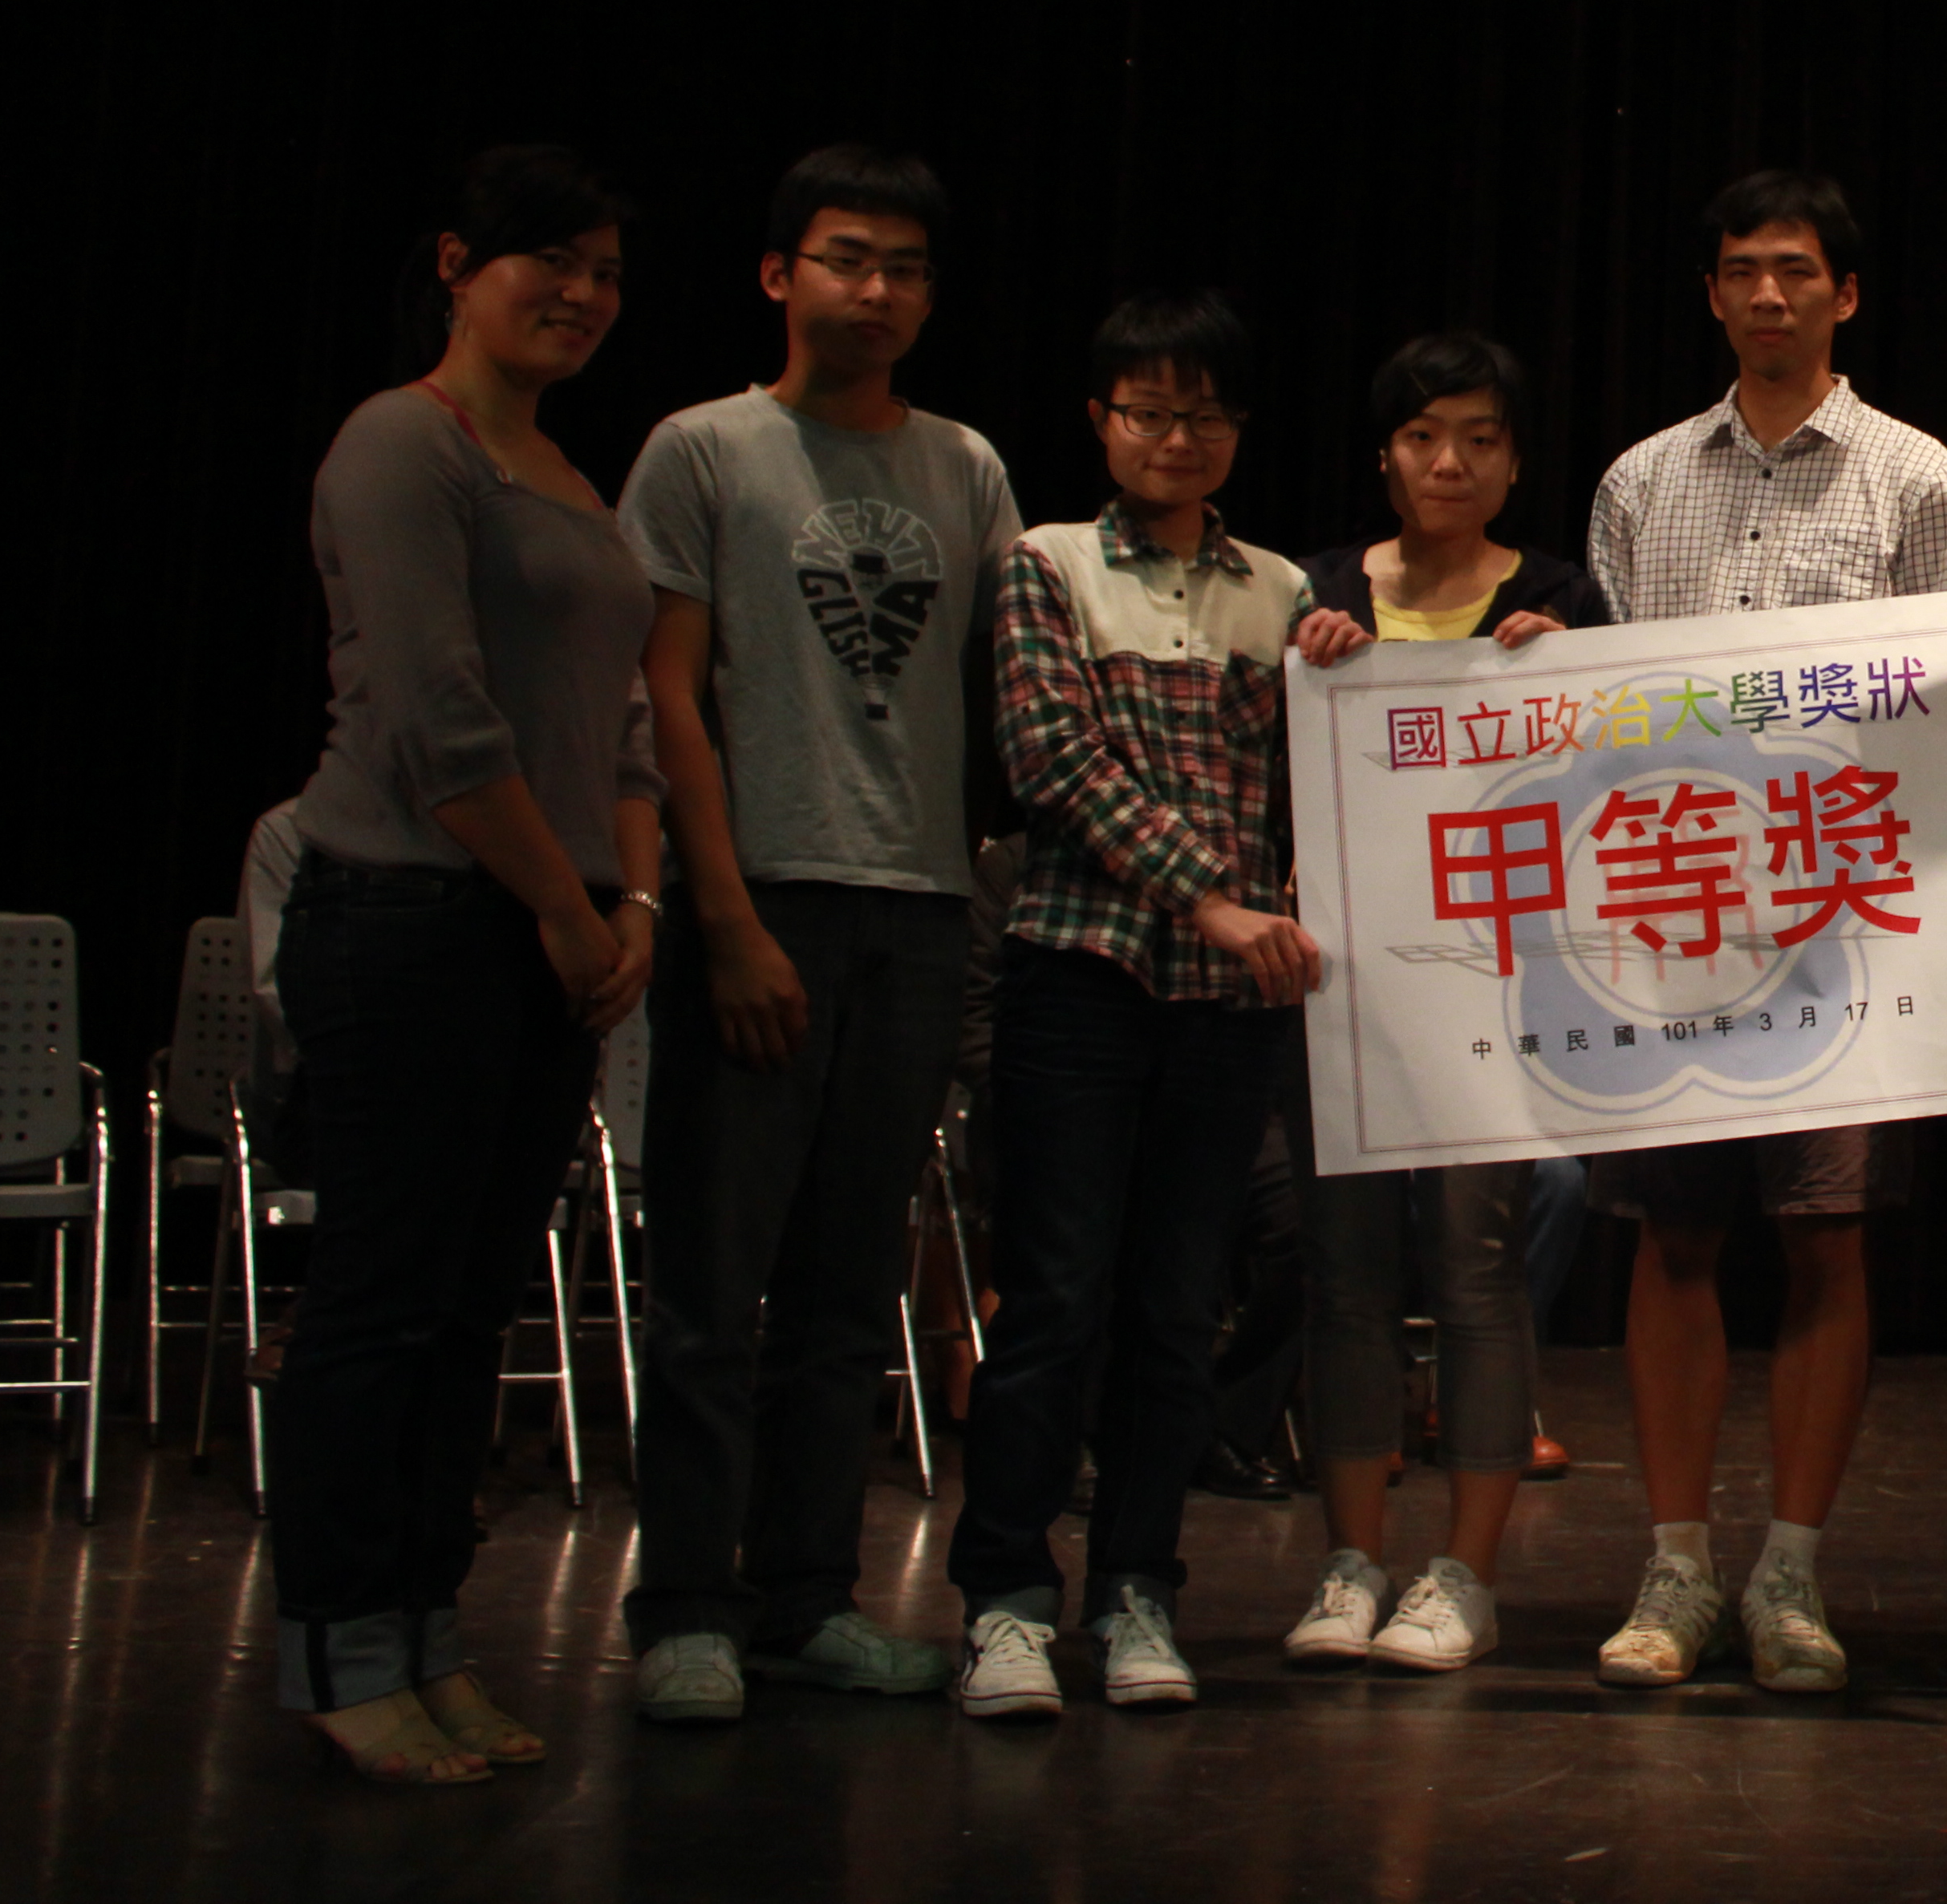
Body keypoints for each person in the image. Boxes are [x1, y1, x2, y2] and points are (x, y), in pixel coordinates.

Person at [269, 145, 661, 1784]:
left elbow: (626, 723)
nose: (578, 294)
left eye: (603, 271)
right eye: (545, 261)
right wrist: (568, 909)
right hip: (413, 919)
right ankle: (340, 1646)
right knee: (381, 1303)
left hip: (554, 932)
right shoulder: (402, 440)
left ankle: (428, 1628)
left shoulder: (565, 473)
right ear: (455, 265)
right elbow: (438, 719)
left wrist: (633, 905)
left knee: (471, 1308)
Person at [618, 145, 1024, 1725]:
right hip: (762, 893)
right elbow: (665, 695)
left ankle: (805, 1601)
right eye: (849, 258)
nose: (879, 291)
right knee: (713, 1288)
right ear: (779, 273)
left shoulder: (965, 466)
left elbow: (1011, 679)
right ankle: (684, 1608)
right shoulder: (703, 449)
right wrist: (717, 913)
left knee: (853, 1292)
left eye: (907, 268)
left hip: (916, 913)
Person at [1580, 172, 1947, 1694]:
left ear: (1844, 295)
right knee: (1672, 1236)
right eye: (1740, 270)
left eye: (1796, 271)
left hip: (1837, 919)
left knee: (1825, 1230)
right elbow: (1603, 710)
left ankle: (1790, 1577)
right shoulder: (1638, 480)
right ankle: (1677, 1569)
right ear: (1710, 293)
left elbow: (1940, 705)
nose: (1767, 295)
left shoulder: (1916, 477)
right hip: (1674, 910)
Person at [949, 292, 1321, 1721]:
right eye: (1150, 411)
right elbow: (1051, 759)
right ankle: (1005, 1602)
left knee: (1175, 1311)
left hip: (1225, 1006)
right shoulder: (1043, 564)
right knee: (1052, 1302)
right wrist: (1213, 898)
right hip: (1079, 978)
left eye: (1205, 413)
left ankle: (1136, 1590)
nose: (1178, 436)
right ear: (1102, 420)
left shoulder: (1280, 591)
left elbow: (1318, 781)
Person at [1279, 330, 1606, 1675]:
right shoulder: (1312, 592)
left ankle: (1464, 1574)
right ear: (1385, 455)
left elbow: (1614, 791)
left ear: (1514, 462)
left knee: (1477, 1272)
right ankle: (1351, 1562)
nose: (1449, 462)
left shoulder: (1559, 595)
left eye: (1479, 438)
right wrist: (1306, 665)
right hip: (1342, 984)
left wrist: (1571, 678)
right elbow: (1265, 774)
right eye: (1423, 436)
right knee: (1347, 1275)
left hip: (1495, 982)